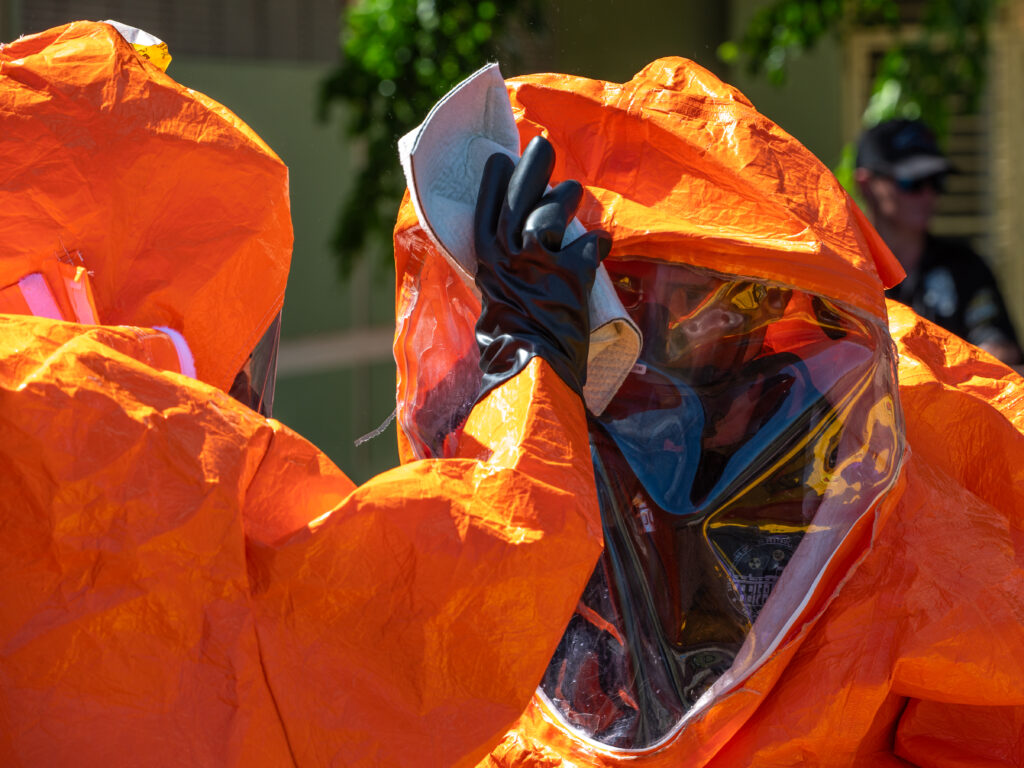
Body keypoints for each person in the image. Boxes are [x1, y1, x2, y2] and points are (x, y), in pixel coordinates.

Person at [0, 21, 609, 767]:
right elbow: (388, 650)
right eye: (225, 345)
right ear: (92, 302)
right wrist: (531, 364)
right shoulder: (71, 426)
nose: (242, 393)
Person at [392, 58, 1024, 766]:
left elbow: (680, 701)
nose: (676, 322)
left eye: (713, 295)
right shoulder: (532, 411)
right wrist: (521, 377)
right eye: (631, 286)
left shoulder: (853, 444)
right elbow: (459, 610)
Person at [855, 118, 1024, 367]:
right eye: (911, 182)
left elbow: (1000, 351)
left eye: (937, 181)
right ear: (867, 185)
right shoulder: (844, 271)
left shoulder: (965, 266)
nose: (928, 194)